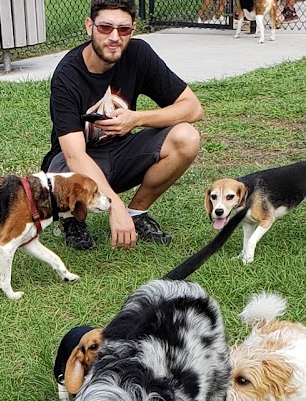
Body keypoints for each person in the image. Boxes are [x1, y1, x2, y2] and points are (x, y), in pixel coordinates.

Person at [43, 0, 204, 250]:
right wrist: (114, 206)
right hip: (74, 164)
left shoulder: (138, 54)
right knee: (64, 172)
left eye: (124, 29)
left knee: (186, 137)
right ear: (90, 27)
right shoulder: (67, 76)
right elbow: (74, 155)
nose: (115, 37)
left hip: (120, 154)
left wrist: (137, 119)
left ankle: (137, 213)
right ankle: (72, 218)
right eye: (106, 28)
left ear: (133, 29)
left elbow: (193, 108)